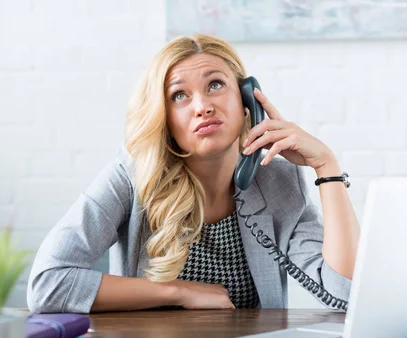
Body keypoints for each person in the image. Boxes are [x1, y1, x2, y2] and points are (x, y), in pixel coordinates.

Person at [27, 34, 360, 313]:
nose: (202, 105)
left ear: (247, 102)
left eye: (215, 85)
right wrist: (178, 292)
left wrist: (326, 168)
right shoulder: (131, 176)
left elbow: (345, 294)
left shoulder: (278, 183)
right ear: (164, 117)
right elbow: (47, 283)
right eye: (179, 95)